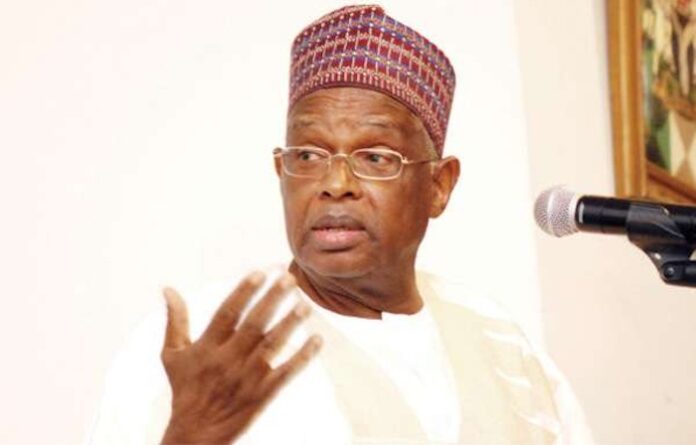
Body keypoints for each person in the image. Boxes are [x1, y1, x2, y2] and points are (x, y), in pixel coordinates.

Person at [86, 4, 593, 445]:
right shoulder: (205, 346)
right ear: (281, 173)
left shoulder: (503, 348)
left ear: (439, 185)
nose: (335, 183)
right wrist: (189, 437)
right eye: (308, 155)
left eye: (375, 157)